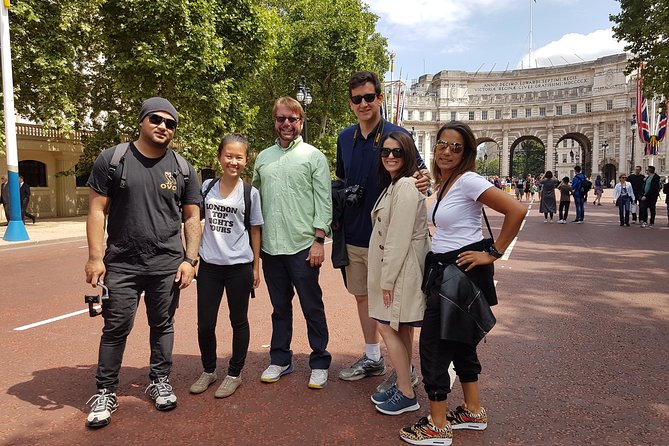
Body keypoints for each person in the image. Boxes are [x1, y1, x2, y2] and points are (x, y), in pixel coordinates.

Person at [399, 121, 525, 445]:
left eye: (456, 147)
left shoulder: (468, 180)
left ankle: (438, 425)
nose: (447, 151)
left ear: (467, 153)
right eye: (442, 144)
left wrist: (494, 253)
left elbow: (516, 209)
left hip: (457, 273)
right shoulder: (446, 184)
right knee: (459, 343)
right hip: (447, 271)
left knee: (433, 346)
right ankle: (472, 409)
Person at [84, 97, 202, 428]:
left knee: (162, 325)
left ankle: (159, 381)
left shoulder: (182, 167)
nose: (163, 126)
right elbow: (96, 210)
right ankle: (106, 391)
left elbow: (192, 217)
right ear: (141, 121)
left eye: (170, 123)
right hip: (121, 264)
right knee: (116, 327)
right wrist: (95, 257)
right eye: (156, 119)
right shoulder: (113, 159)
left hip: (167, 264)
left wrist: (190, 259)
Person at [335, 71, 429, 390]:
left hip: (390, 239)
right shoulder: (344, 137)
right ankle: (373, 357)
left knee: (397, 307)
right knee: (363, 299)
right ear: (351, 103)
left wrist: (425, 179)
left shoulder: (396, 135)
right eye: (357, 99)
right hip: (355, 234)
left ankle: (407, 368)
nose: (364, 104)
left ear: (379, 98)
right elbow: (341, 179)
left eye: (369, 97)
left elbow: (422, 175)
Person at [253, 96, 332, 389]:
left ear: (301, 122)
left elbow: (324, 202)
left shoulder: (314, 156)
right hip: (271, 249)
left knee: (312, 306)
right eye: (281, 118)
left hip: (303, 246)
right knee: (279, 307)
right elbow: (255, 203)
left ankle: (320, 361)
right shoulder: (262, 157)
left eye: (293, 119)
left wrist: (318, 240)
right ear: (274, 121)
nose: (287, 124)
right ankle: (280, 359)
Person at [190, 134, 263, 398]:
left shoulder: (249, 192)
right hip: (209, 266)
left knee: (238, 320)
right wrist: (190, 256)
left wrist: (256, 267)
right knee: (205, 324)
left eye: (239, 157)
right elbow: (193, 220)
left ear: (247, 159)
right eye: (228, 156)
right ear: (220, 156)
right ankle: (209, 371)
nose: (234, 161)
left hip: (239, 267)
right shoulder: (207, 186)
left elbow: (255, 230)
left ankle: (234, 374)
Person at [367, 132, 430, 416]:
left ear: (407, 156)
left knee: (385, 325)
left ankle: (406, 392)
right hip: (400, 267)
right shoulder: (396, 184)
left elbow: (398, 237)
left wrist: (387, 280)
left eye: (397, 152)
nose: (390, 156)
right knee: (401, 327)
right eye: (385, 152)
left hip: (400, 270)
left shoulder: (405, 185)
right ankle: (405, 382)